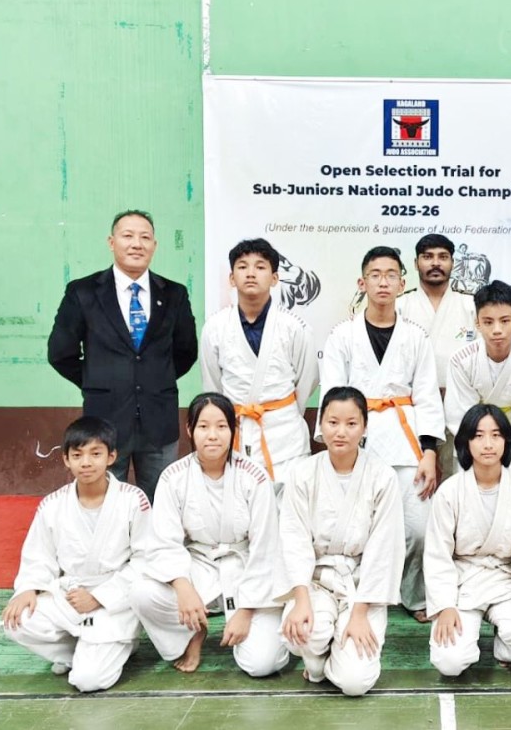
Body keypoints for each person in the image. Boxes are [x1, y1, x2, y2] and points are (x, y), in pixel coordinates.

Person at [320, 246, 445, 622]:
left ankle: (413, 593)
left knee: (419, 529)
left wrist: (429, 452)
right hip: (357, 442)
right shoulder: (342, 335)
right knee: (357, 526)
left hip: (406, 442)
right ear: (363, 282)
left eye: (391, 275)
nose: (383, 282)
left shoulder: (415, 336)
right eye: (375, 274)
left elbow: (426, 395)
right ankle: (362, 594)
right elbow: (331, 393)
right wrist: (338, 446)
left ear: (402, 284)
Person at [130, 393, 289, 677]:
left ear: (233, 430)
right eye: (203, 427)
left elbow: (266, 549)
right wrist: (183, 587)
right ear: (190, 430)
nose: (212, 436)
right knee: (142, 593)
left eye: (221, 426)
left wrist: (246, 610)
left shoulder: (255, 477)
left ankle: (241, 618)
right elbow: (164, 542)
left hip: (245, 568)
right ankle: (192, 635)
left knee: (261, 664)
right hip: (198, 564)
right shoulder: (172, 477)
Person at [47, 210, 198, 502]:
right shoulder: (83, 292)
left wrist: (153, 377)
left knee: (161, 504)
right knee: (105, 503)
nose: (136, 244)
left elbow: (186, 351)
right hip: (105, 417)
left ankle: (153, 550)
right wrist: (96, 380)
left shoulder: (174, 294)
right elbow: (60, 353)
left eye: (145, 237)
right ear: (111, 242)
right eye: (127, 236)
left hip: (159, 419)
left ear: (154, 245)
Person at [0, 417, 151, 692]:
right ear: (66, 460)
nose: (86, 463)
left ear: (111, 456)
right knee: (16, 620)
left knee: (87, 681)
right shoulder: (52, 504)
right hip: (69, 595)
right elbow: (39, 556)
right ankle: (77, 652)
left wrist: (98, 597)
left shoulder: (133, 499)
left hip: (113, 599)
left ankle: (116, 648)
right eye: (77, 455)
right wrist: (28, 589)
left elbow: (144, 559)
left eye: (96, 454)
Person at [278, 387, 404, 696]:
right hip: (316, 581)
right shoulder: (302, 474)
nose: (341, 432)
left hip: (361, 586)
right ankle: (319, 663)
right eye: (333, 422)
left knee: (355, 683)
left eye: (351, 423)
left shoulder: (382, 477)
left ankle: (335, 656)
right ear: (320, 424)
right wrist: (301, 598)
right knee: (302, 634)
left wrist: (360, 613)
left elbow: (384, 548)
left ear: (364, 427)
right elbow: (293, 538)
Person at [425, 404, 511, 676]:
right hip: (463, 583)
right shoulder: (450, 492)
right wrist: (445, 605)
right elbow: (437, 555)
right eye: (478, 436)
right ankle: (467, 640)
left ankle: (504, 648)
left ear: (507, 441)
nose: (488, 444)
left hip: (506, 580)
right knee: (449, 662)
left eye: (496, 435)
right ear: (466, 443)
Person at [200, 238, 317, 489]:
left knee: (286, 512)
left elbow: (307, 379)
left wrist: (283, 411)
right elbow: (212, 385)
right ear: (232, 278)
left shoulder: (294, 327)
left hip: (284, 433)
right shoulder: (215, 327)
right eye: (242, 267)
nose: (251, 273)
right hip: (237, 429)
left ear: (275, 278)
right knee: (238, 510)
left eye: (260, 267)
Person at [445, 281, 511, 487]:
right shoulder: (461, 361)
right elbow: (461, 416)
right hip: (477, 439)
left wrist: (508, 452)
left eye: (505, 321)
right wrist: (486, 445)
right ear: (477, 323)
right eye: (488, 322)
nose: (497, 330)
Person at [397, 233, 477, 391]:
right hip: (412, 400)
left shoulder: (472, 305)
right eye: (427, 257)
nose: (435, 263)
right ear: (416, 263)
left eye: (443, 257)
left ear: (453, 263)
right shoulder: (399, 306)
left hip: (462, 398)